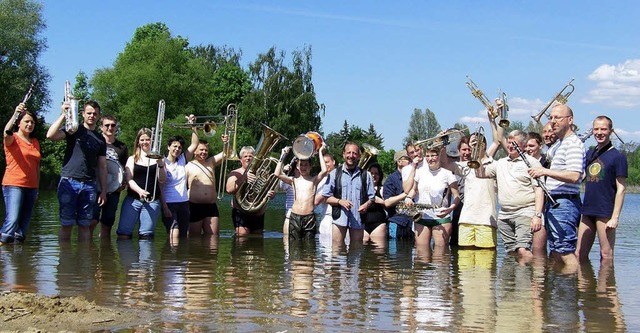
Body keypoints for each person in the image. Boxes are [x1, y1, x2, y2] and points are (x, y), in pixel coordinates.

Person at [529, 104, 585, 267]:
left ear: (570, 120)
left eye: (558, 118)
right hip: (555, 204)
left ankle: (572, 290)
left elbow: (575, 176)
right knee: (556, 251)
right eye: (551, 118)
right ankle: (563, 290)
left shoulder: (572, 144)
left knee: (564, 251)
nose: (553, 122)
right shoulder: (559, 145)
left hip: (564, 203)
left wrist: (544, 172)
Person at [476, 130, 544, 261]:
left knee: (523, 250)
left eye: (515, 143)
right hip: (505, 214)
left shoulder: (532, 163)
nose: (511, 146)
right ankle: (512, 280)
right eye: (509, 142)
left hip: (525, 212)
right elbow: (480, 174)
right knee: (511, 251)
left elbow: (539, 190)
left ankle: (531, 277)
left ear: (523, 146)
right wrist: (477, 153)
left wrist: (537, 215)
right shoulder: (500, 163)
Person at [46, 100, 107, 241]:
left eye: (95, 114)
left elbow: (102, 166)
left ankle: (83, 260)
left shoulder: (100, 139)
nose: (92, 116)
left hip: (89, 184)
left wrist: (103, 190)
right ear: (83, 114)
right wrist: (63, 115)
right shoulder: (73, 130)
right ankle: (66, 261)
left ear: (98, 116)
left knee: (85, 225)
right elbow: (50, 135)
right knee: (66, 224)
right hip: (69, 181)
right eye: (89, 113)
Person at [576, 116, 627, 262]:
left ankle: (607, 284)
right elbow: (580, 177)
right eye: (596, 129)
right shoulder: (589, 154)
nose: (599, 132)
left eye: (603, 129)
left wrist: (615, 217)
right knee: (579, 255)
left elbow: (621, 188)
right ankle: (586, 284)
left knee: (605, 255)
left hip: (605, 211)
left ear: (611, 131)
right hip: (587, 210)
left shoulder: (618, 156)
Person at [403, 144, 460, 249]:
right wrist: (408, 198)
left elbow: (457, 196)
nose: (430, 159)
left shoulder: (447, 174)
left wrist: (450, 209)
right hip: (422, 215)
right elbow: (413, 190)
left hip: (441, 216)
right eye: (428, 156)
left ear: (439, 156)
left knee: (441, 255)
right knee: (421, 255)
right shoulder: (419, 172)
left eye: (433, 155)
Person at [116, 128, 167, 239]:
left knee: (146, 236)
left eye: (148, 139)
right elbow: (129, 179)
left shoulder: (159, 158)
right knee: (124, 234)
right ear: (138, 141)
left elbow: (162, 180)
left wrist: (161, 164)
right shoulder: (132, 158)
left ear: (152, 141)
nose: (145, 142)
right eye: (142, 139)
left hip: (152, 201)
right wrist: (139, 191)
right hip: (133, 199)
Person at [1, 104, 41, 245]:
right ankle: (3, 248)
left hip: (31, 187)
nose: (30, 124)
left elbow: (36, 166)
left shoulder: (35, 142)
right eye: (27, 121)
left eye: (32, 122)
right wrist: (15, 113)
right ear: (19, 123)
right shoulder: (13, 138)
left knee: (23, 226)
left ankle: (18, 261)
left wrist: (37, 188)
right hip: (14, 184)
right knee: (12, 219)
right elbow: (6, 132)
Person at [321, 143, 375, 245]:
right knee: (337, 252)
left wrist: (366, 205)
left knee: (356, 252)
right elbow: (325, 197)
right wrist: (339, 201)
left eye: (354, 153)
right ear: (343, 154)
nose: (351, 155)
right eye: (348, 153)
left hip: (358, 219)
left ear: (358, 156)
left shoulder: (366, 175)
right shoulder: (334, 174)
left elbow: (372, 198)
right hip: (339, 219)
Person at [275, 146, 327, 240]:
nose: (303, 167)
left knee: (309, 248)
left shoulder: (314, 180)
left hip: (309, 218)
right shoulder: (293, 180)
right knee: (294, 248)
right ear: (297, 167)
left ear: (311, 166)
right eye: (301, 165)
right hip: (295, 216)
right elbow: (277, 173)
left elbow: (324, 171)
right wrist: (283, 155)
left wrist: (320, 152)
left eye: (306, 165)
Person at [160, 115, 198, 240]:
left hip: (183, 203)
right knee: (174, 235)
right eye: (174, 146)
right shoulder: (162, 162)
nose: (177, 149)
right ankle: (169, 258)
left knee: (183, 236)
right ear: (168, 147)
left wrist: (193, 125)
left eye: (179, 147)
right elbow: (159, 187)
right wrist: (164, 207)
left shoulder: (182, 160)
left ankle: (181, 259)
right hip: (169, 203)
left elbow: (195, 143)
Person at [90, 115, 128, 238]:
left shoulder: (122, 147)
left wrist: (123, 184)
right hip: (96, 188)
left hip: (113, 190)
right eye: (107, 125)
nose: (110, 128)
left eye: (113, 125)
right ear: (101, 127)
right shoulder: (95, 142)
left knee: (107, 224)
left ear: (116, 127)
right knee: (92, 221)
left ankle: (105, 254)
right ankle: (87, 253)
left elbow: (124, 168)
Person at [185, 135, 229, 236]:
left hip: (211, 206)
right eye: (201, 150)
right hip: (194, 206)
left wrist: (225, 143)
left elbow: (227, 153)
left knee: (213, 239)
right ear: (194, 151)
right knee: (194, 240)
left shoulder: (211, 162)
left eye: (206, 150)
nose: (204, 152)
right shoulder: (188, 166)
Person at [226, 146, 275, 236]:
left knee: (258, 240)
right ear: (241, 160)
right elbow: (229, 189)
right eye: (245, 156)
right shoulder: (235, 173)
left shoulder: (262, 173)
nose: (248, 158)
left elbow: (269, 190)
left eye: (251, 156)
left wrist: (271, 195)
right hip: (241, 211)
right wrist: (243, 178)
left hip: (258, 211)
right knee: (242, 238)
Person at [383, 150, 413, 240]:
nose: (411, 161)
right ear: (399, 162)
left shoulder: (415, 176)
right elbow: (387, 202)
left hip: (413, 222)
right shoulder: (391, 179)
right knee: (395, 252)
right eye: (408, 159)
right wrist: (407, 194)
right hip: (397, 222)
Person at [313, 153, 336, 241]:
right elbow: (315, 202)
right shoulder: (321, 180)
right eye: (324, 162)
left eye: (327, 162)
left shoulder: (340, 175)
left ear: (333, 162)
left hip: (341, 217)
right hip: (327, 216)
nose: (326, 165)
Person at [363, 163, 387, 243]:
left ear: (380, 176)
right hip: (363, 224)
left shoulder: (382, 189)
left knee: (378, 252)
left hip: (378, 225)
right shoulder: (361, 190)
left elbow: (388, 206)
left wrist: (381, 201)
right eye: (371, 173)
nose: (373, 176)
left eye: (376, 173)